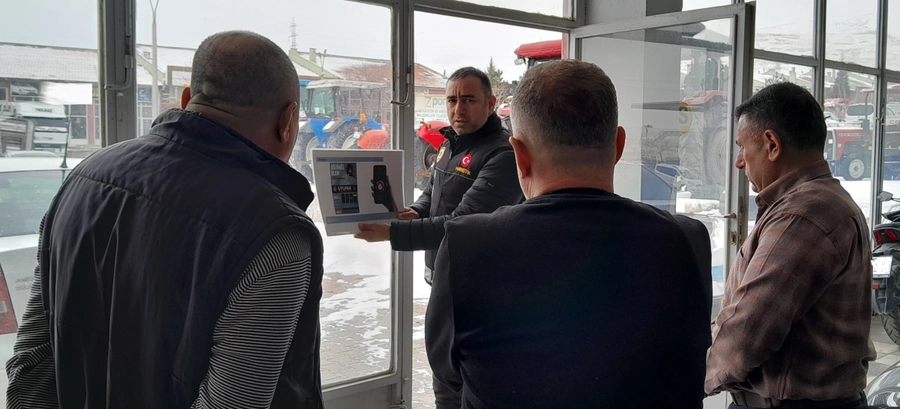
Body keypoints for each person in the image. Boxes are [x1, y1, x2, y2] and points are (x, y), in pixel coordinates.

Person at [6, 31, 325, 409]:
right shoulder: (274, 231)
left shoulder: (85, 177)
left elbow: (32, 361)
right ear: (288, 120)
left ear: (187, 99)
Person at [425, 60, 712, 408]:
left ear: (520, 156)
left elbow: (448, 377)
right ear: (618, 145)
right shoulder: (687, 240)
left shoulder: (467, 246)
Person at [705, 82, 876, 408]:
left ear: (772, 144)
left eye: (742, 147)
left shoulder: (803, 216)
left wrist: (674, 381)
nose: (739, 161)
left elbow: (747, 332)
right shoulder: (822, 201)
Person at [354, 67, 523, 284]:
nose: (458, 109)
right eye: (452, 100)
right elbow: (433, 191)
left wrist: (391, 232)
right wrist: (416, 211)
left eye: (468, 100)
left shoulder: (503, 155)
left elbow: (462, 223)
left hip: (478, 280)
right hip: (442, 269)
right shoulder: (449, 144)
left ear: (490, 104)